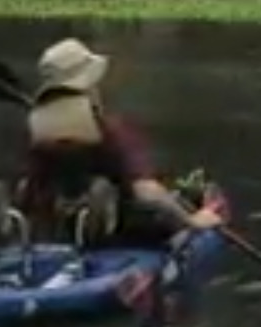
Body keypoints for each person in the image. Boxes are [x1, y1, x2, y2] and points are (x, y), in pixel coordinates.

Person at [14, 38, 223, 247]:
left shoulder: (38, 133)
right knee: (171, 199)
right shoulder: (113, 130)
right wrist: (192, 221)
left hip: (60, 227)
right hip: (125, 230)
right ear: (91, 84)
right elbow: (144, 190)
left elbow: (29, 190)